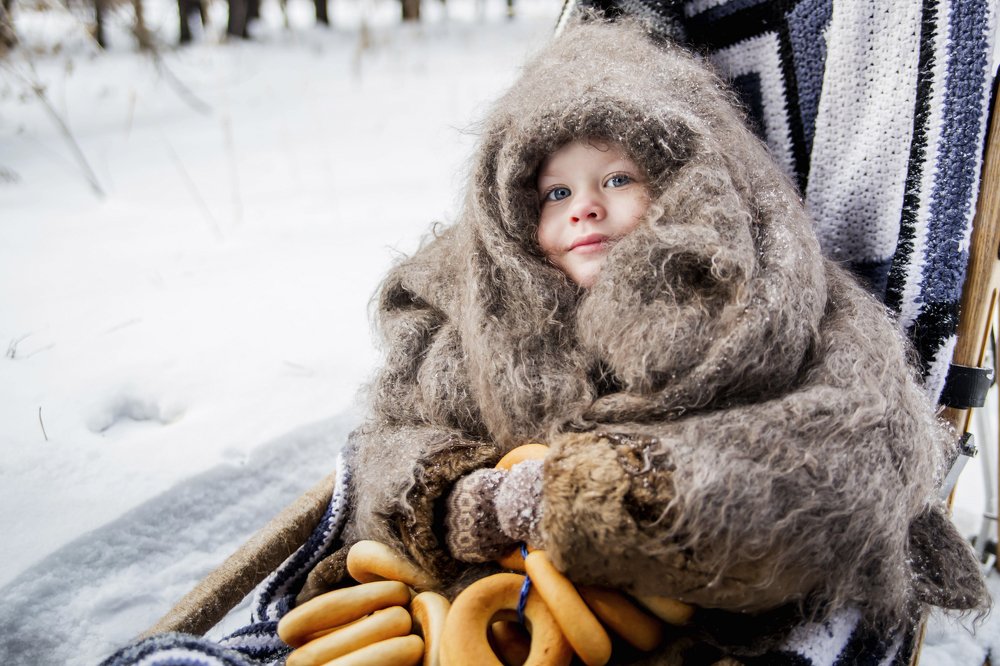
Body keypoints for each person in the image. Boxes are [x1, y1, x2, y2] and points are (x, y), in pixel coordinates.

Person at [297, 17, 987, 662]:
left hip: (695, 606)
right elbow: (391, 438)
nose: (585, 206)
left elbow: (860, 448)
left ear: (684, 183)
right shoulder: (473, 314)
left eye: (617, 179)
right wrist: (455, 498)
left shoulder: (778, 294)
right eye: (555, 194)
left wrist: (591, 497)